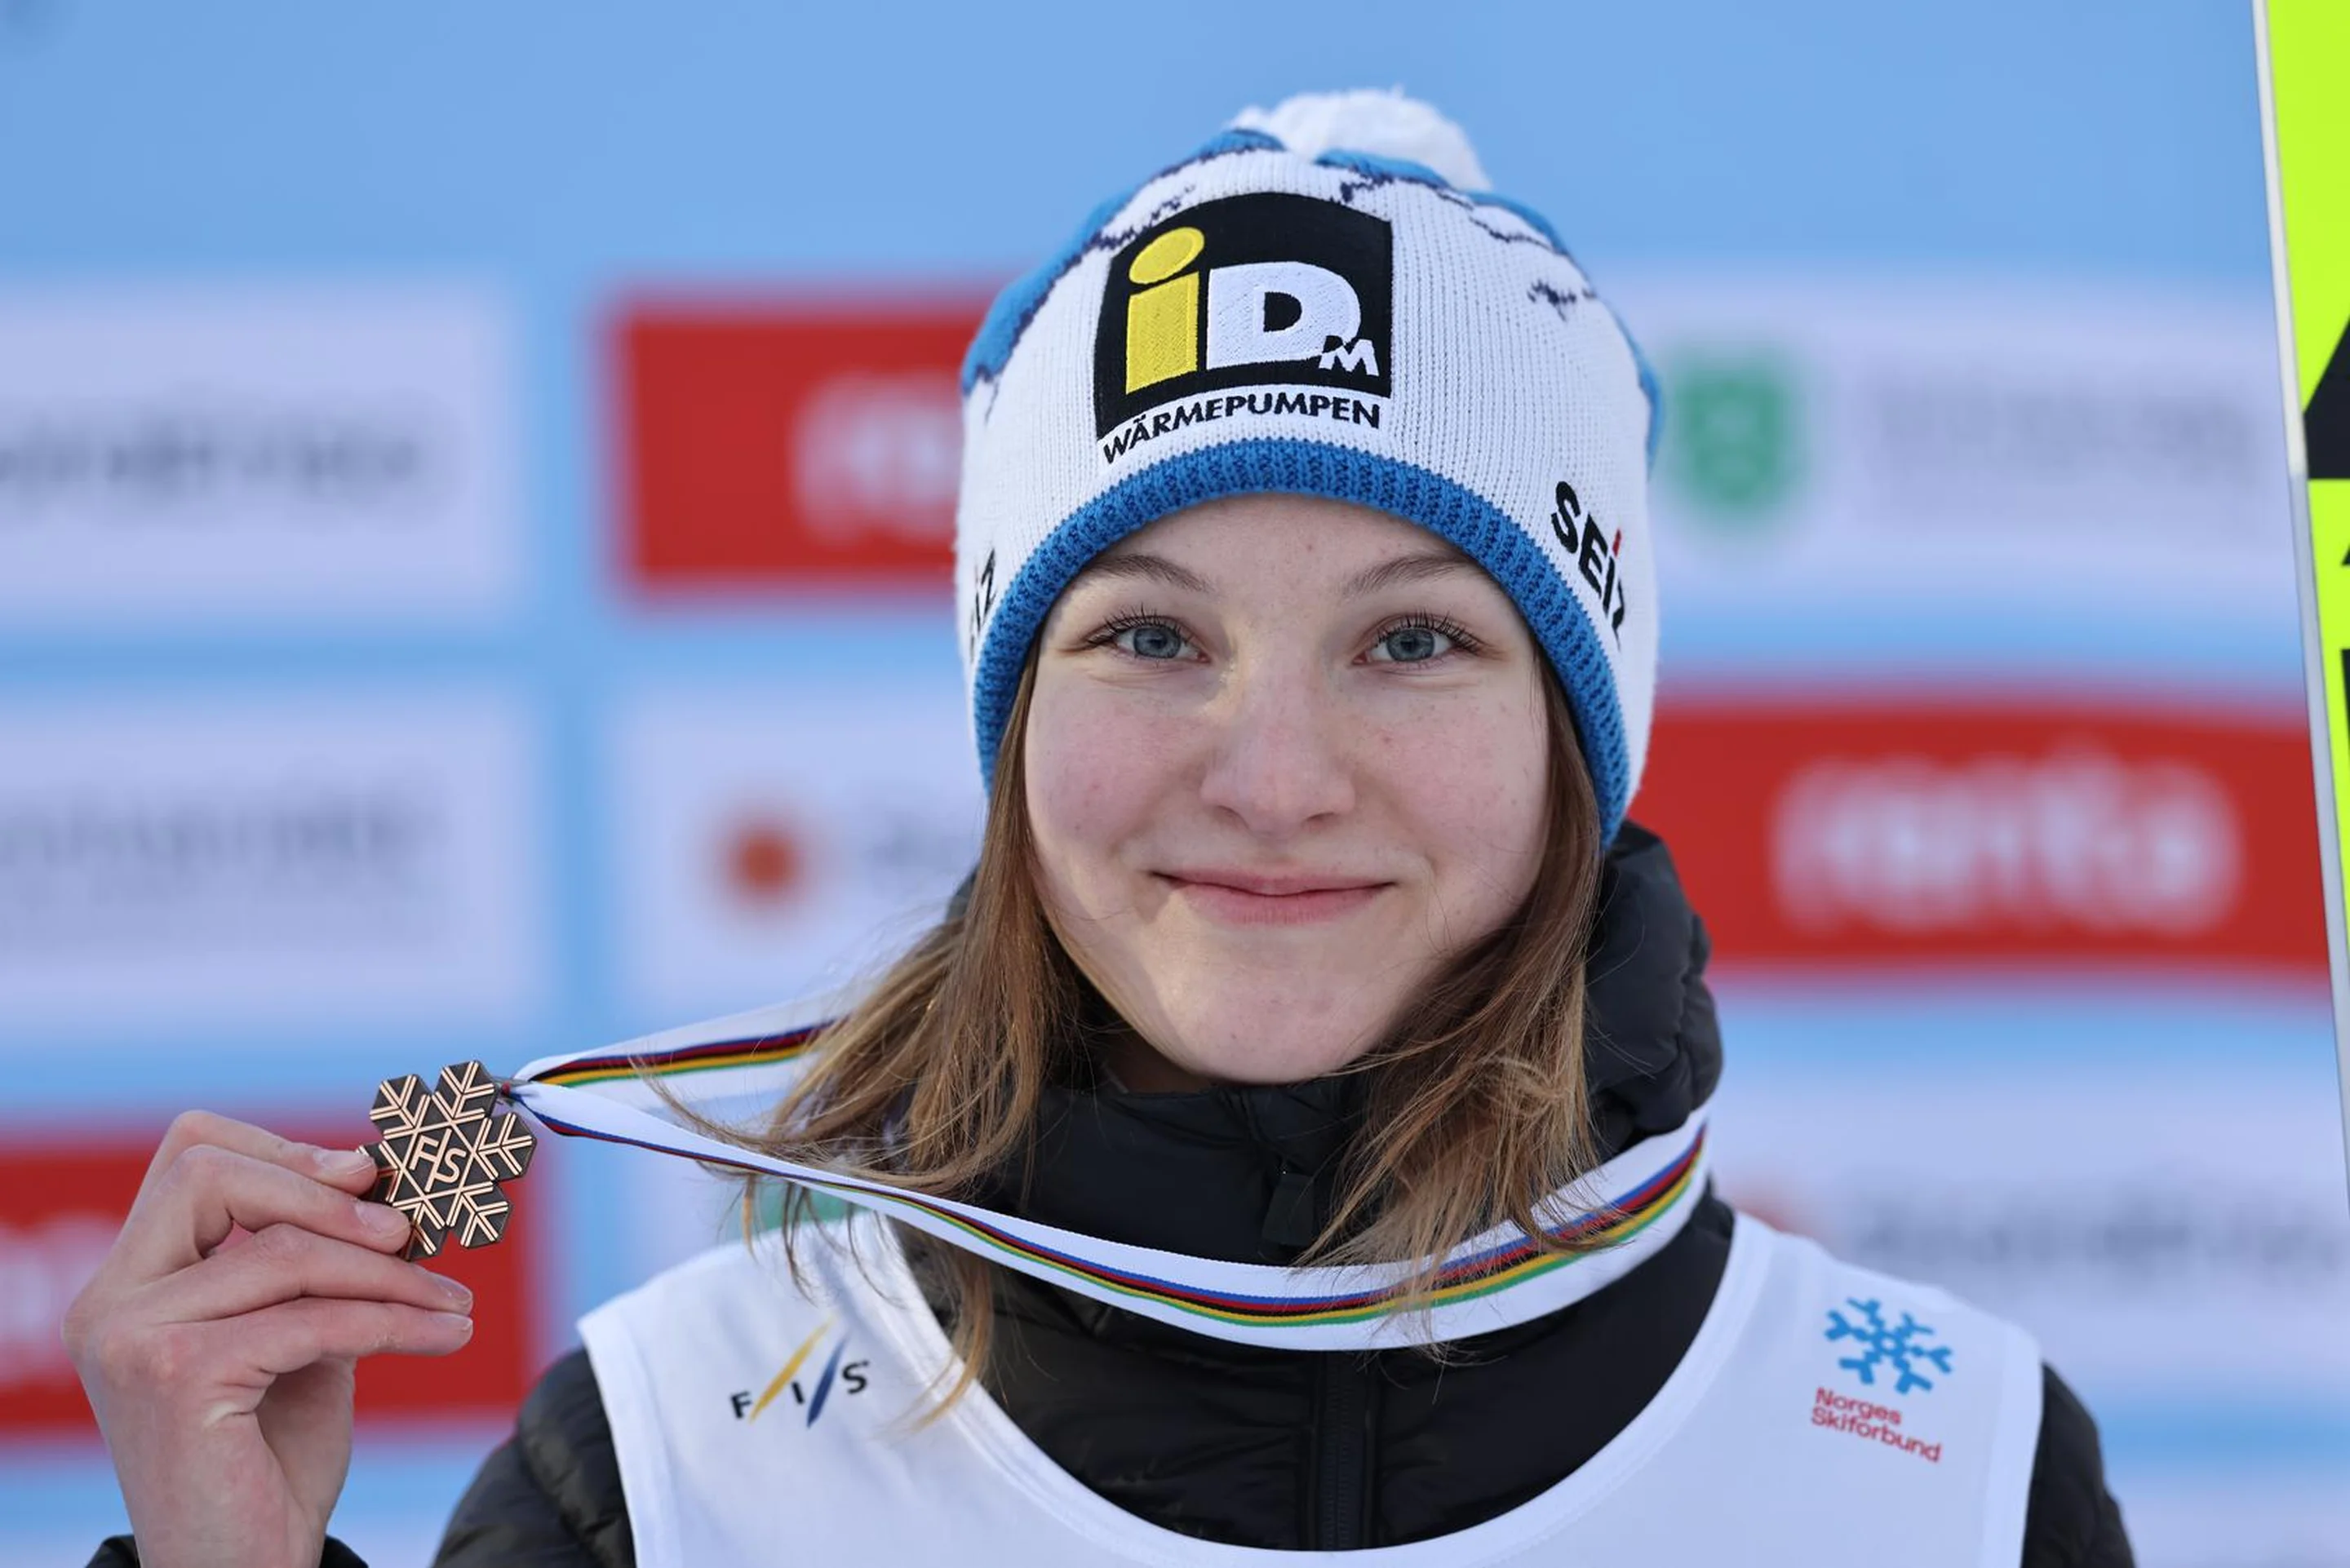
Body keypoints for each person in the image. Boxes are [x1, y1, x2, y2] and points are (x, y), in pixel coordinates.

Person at [68, 91, 2134, 1567]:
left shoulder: (1942, 1476)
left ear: (1575, 742)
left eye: (1412, 638)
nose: (1273, 775)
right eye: (1153, 634)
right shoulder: (672, 1462)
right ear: (1015, 717)